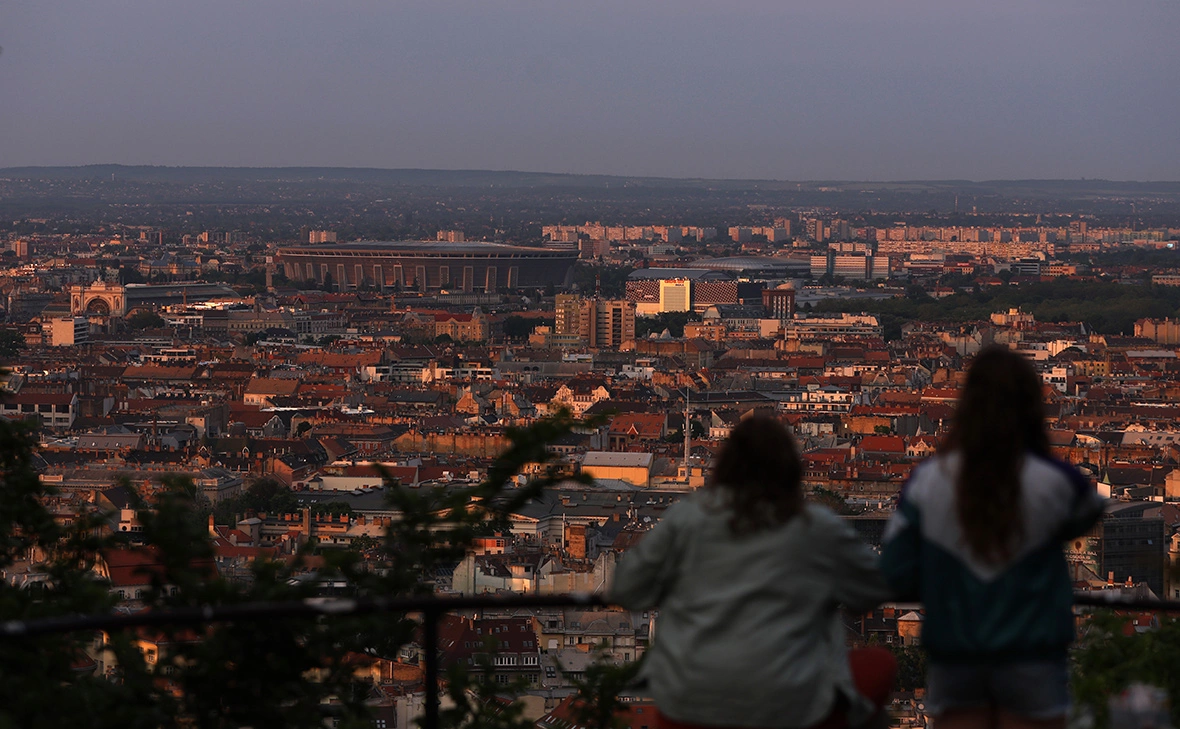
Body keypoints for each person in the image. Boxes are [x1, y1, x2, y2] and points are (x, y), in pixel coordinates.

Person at [610, 415, 895, 729]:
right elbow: (871, 589)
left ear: (725, 467)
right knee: (879, 665)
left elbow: (627, 589)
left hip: (695, 703)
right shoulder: (817, 525)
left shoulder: (686, 518)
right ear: (790, 471)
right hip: (791, 703)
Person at [880, 347, 1104, 729]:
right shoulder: (1052, 481)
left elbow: (894, 571)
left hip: (957, 650)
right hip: (1031, 650)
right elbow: (1089, 511)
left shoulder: (928, 482)